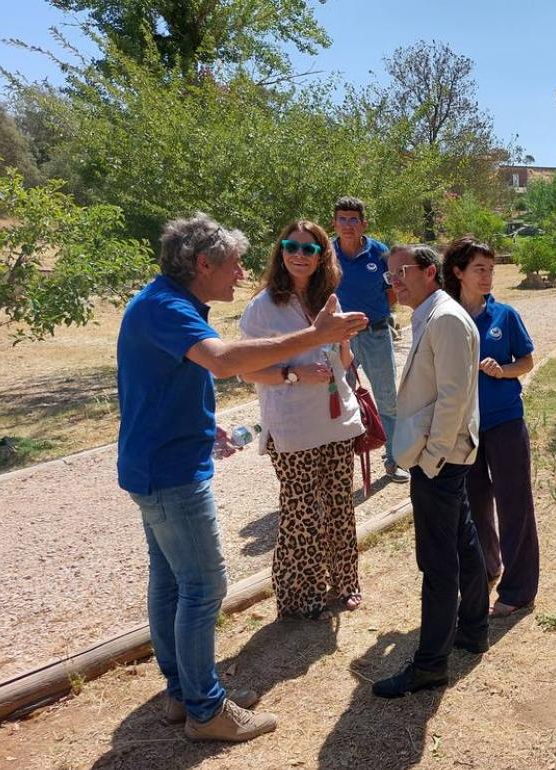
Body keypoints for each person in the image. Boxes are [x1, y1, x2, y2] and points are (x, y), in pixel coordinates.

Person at [116, 214, 368, 741]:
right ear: (202, 263)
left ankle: (183, 695)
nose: (241, 272)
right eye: (233, 264)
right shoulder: (167, 307)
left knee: (170, 585)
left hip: (162, 461)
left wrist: (206, 428)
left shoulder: (170, 304)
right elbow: (224, 361)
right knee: (204, 587)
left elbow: (170, 383)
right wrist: (315, 336)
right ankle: (207, 710)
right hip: (170, 472)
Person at [371, 244, 490, 699]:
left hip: (439, 459)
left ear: (429, 271)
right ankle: (473, 628)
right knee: (462, 540)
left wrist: (433, 457)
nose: (393, 281)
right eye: (389, 275)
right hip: (441, 456)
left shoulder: (445, 319)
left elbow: (454, 398)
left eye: (401, 271)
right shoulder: (433, 314)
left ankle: (430, 664)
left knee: (438, 562)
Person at [238, 221, 365, 620]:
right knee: (303, 514)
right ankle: (300, 597)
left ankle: (345, 583)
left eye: (308, 249)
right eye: (291, 246)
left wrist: (344, 341)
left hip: (336, 419)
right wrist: (293, 374)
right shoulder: (262, 308)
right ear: (280, 252)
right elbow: (246, 370)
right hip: (292, 428)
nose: (298, 254)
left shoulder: (327, 299)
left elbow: (343, 363)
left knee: (340, 506)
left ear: (321, 256)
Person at [442, 236, 539, 619]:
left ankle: (519, 590)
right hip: (464, 426)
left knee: (514, 505)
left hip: (504, 422)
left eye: (491, 269)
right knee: (474, 503)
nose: (487, 277)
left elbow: (527, 360)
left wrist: (504, 371)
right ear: (458, 272)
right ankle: (486, 567)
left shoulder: (505, 315)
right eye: (479, 269)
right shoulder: (446, 317)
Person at [330, 196, 407, 483]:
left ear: (364, 224)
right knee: (335, 398)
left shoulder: (380, 253)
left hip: (375, 333)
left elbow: (391, 292)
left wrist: (380, 314)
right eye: (342, 219)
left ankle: (395, 459)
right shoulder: (326, 253)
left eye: (354, 219)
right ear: (334, 222)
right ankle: (338, 466)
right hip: (338, 338)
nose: (348, 225)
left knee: (387, 397)